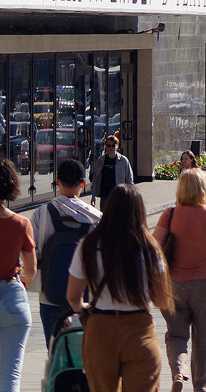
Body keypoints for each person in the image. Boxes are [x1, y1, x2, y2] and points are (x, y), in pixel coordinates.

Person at [67, 184, 173, 392]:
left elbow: (73, 297)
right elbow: (162, 300)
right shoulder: (150, 249)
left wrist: (85, 307)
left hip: (100, 330)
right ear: (139, 212)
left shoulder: (88, 245)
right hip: (139, 330)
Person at [154, 169, 206, 392]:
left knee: (176, 335)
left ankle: (178, 373)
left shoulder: (170, 215)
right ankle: (200, 387)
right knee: (203, 341)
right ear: (204, 189)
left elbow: (153, 246)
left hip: (175, 285)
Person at [29, 158, 101, 345]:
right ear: (82, 183)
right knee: (89, 357)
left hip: (51, 296)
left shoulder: (41, 213)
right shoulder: (96, 218)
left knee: (55, 355)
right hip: (87, 300)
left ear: (57, 181)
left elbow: (33, 252)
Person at [0, 157, 35, 392]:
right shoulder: (21, 224)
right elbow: (31, 270)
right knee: (10, 376)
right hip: (14, 297)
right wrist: (21, 284)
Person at [89, 135, 134, 210]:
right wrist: (93, 196)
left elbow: (129, 180)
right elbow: (95, 179)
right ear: (105, 147)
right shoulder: (100, 161)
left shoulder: (123, 161)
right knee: (105, 218)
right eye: (108, 145)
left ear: (117, 146)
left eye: (113, 145)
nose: (111, 148)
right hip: (105, 196)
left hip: (119, 196)